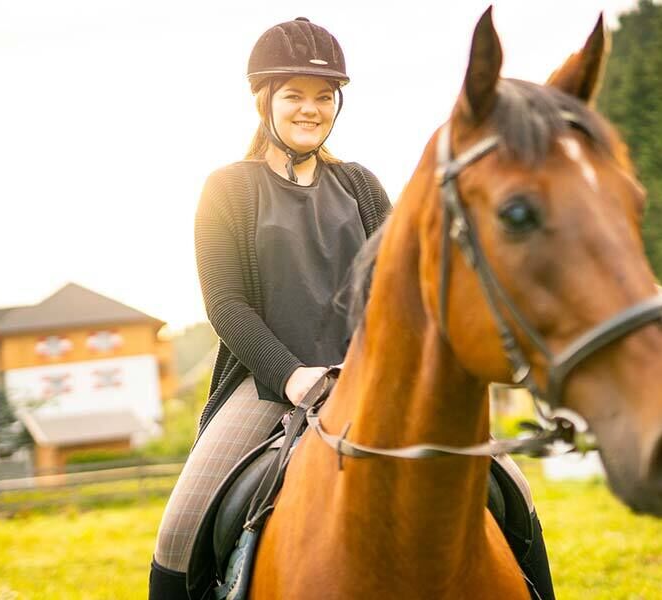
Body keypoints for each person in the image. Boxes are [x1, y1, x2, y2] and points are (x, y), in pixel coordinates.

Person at [149, 17, 554, 600]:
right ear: (264, 101)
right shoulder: (227, 189)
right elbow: (227, 306)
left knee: (512, 489)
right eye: (293, 95)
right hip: (269, 383)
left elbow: (401, 290)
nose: (310, 109)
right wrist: (292, 376)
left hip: (371, 377)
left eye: (323, 96)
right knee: (180, 529)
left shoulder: (360, 185)